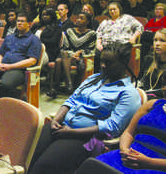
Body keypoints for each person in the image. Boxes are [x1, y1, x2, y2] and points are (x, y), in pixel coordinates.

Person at [28, 43, 141, 174]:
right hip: (63, 126)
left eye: (109, 63)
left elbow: (112, 126)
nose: (103, 65)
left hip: (86, 138)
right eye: (102, 61)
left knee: (43, 166)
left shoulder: (128, 93)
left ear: (123, 63)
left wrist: (71, 132)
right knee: (29, 156)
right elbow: (72, 100)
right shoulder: (94, 79)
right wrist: (56, 120)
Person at [76, 98, 166, 174]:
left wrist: (149, 162)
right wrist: (124, 150)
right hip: (129, 154)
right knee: (91, 167)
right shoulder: (153, 104)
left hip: (157, 163)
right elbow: (129, 132)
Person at [0, 13, 42, 98]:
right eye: (18, 21)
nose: (19, 23)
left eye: (22, 21)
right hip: (1, 66)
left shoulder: (34, 39)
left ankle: (1, 106)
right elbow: (0, 54)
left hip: (18, 70)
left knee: (5, 84)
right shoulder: (9, 37)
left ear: (29, 23)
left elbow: (32, 60)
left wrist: (10, 66)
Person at [48, 12, 97, 98]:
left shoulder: (92, 34)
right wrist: (73, 54)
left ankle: (55, 89)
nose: (78, 20)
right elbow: (65, 47)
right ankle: (69, 84)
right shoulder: (70, 31)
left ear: (88, 22)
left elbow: (91, 49)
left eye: (82, 18)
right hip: (68, 56)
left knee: (58, 61)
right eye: (78, 18)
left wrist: (79, 53)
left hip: (80, 59)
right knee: (62, 55)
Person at [95, 2, 143, 71]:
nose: (112, 11)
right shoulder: (105, 22)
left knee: (117, 54)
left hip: (122, 44)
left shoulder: (127, 18)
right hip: (106, 45)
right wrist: (98, 43)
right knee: (97, 54)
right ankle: (101, 75)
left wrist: (134, 37)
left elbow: (140, 27)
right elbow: (99, 34)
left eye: (114, 9)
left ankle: (117, 75)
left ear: (119, 9)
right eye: (110, 10)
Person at [140, 3, 166, 72]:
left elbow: (163, 31)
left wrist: (153, 31)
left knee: (145, 35)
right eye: (156, 9)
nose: (157, 10)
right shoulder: (151, 20)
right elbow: (145, 29)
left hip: (160, 38)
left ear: (164, 11)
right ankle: (143, 66)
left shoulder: (165, 19)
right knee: (144, 37)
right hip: (149, 38)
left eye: (160, 9)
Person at [141, 28, 166, 98]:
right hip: (145, 97)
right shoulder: (149, 59)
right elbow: (141, 81)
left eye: (162, 41)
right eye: (155, 40)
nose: (157, 44)